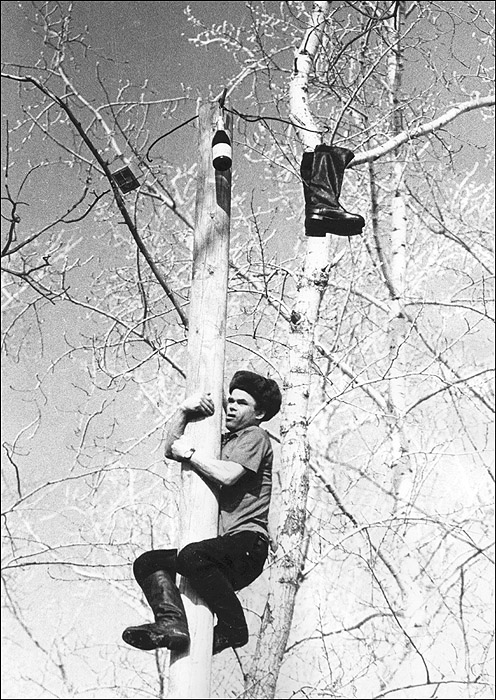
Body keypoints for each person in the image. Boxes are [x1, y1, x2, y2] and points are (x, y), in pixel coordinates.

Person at [122, 370, 282, 655]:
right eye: (231, 400)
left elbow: (228, 475)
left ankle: (234, 627)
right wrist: (184, 412)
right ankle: (172, 623)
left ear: (259, 413)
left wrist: (191, 454)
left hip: (247, 544)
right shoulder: (224, 441)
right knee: (148, 563)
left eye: (242, 403)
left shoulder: (255, 436)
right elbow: (171, 449)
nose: (232, 406)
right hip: (221, 549)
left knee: (192, 556)